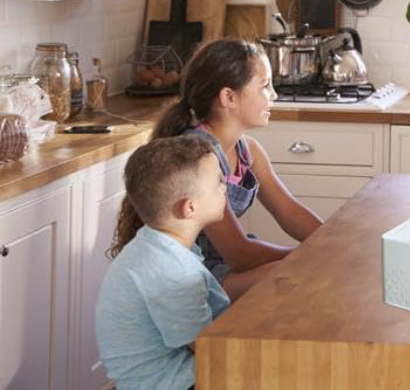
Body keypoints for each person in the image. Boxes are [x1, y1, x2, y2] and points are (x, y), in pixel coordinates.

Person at [109, 39, 322, 301]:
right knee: (291, 274)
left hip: (222, 264)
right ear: (228, 97)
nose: (274, 96)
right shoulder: (199, 158)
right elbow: (238, 252)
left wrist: (332, 241)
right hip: (192, 273)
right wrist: (309, 255)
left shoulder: (249, 151)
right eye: (265, 86)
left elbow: (289, 211)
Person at [96, 133, 231, 390]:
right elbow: (206, 348)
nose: (224, 187)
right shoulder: (171, 271)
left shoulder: (157, 247)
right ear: (188, 208)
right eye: (218, 182)